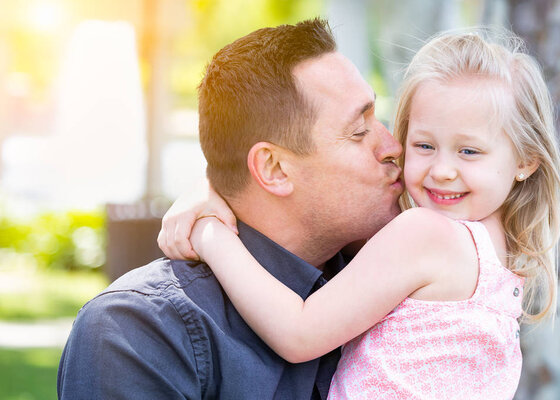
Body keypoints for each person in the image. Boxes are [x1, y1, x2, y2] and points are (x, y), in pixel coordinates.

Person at [162, 30, 560, 399]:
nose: (442, 170)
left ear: (526, 161)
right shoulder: (501, 252)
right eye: (424, 146)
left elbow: (299, 332)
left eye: (469, 151)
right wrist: (216, 184)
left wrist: (211, 233)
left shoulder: (426, 235)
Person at [57, 18, 404, 399]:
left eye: (379, 118)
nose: (393, 147)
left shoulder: (409, 280)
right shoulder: (140, 331)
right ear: (273, 169)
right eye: (359, 131)